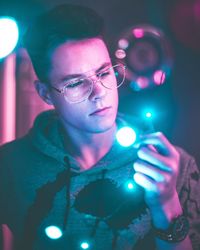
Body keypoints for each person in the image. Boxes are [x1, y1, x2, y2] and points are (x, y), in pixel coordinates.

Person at [0, 3, 200, 250]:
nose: (99, 93)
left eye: (104, 73)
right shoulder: (10, 167)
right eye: (75, 84)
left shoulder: (173, 167)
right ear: (46, 94)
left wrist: (167, 201)